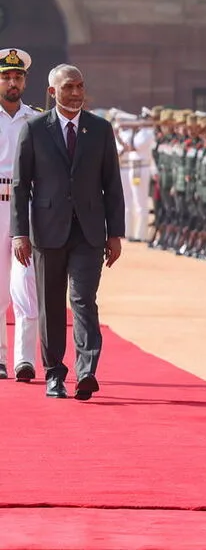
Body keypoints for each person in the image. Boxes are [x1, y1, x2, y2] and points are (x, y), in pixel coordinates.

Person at [12, 63, 124, 400]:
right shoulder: (33, 129)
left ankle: (87, 371)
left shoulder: (100, 129)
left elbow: (112, 185)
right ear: (52, 92)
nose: (76, 94)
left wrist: (115, 233)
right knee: (50, 303)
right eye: (68, 88)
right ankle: (54, 374)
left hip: (89, 231)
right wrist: (20, 233)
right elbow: (21, 187)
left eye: (79, 86)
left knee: (83, 300)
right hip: (47, 231)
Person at [0, 49, 42, 382]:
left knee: (26, 282)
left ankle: (24, 360)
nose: (12, 82)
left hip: (25, 205)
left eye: (17, 77)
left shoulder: (36, 119)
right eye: (6, 76)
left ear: (25, 80)